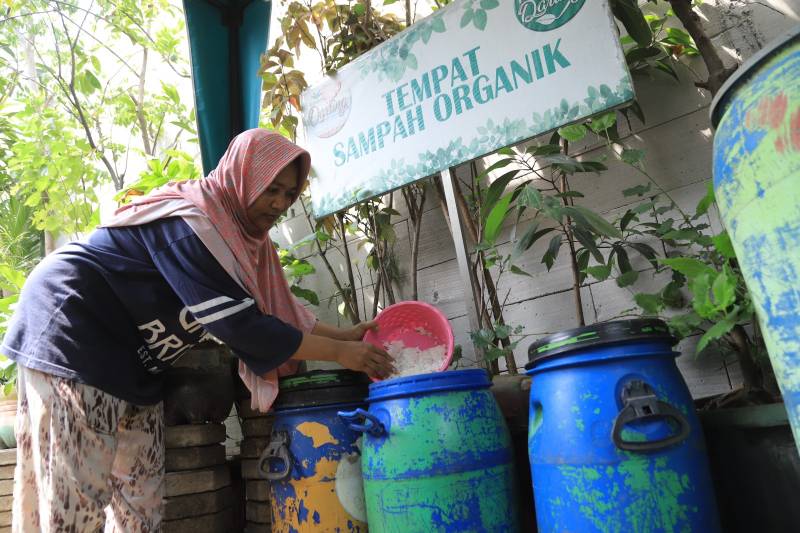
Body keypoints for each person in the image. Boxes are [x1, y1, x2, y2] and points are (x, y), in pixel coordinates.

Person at [0, 129, 394, 532]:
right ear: (243, 177)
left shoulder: (245, 242)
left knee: (141, 499)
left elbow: (277, 313)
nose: (280, 204)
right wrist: (341, 354)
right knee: (73, 499)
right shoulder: (195, 224)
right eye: (271, 189)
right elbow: (243, 327)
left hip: (134, 362)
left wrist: (343, 337)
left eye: (290, 194)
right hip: (74, 328)